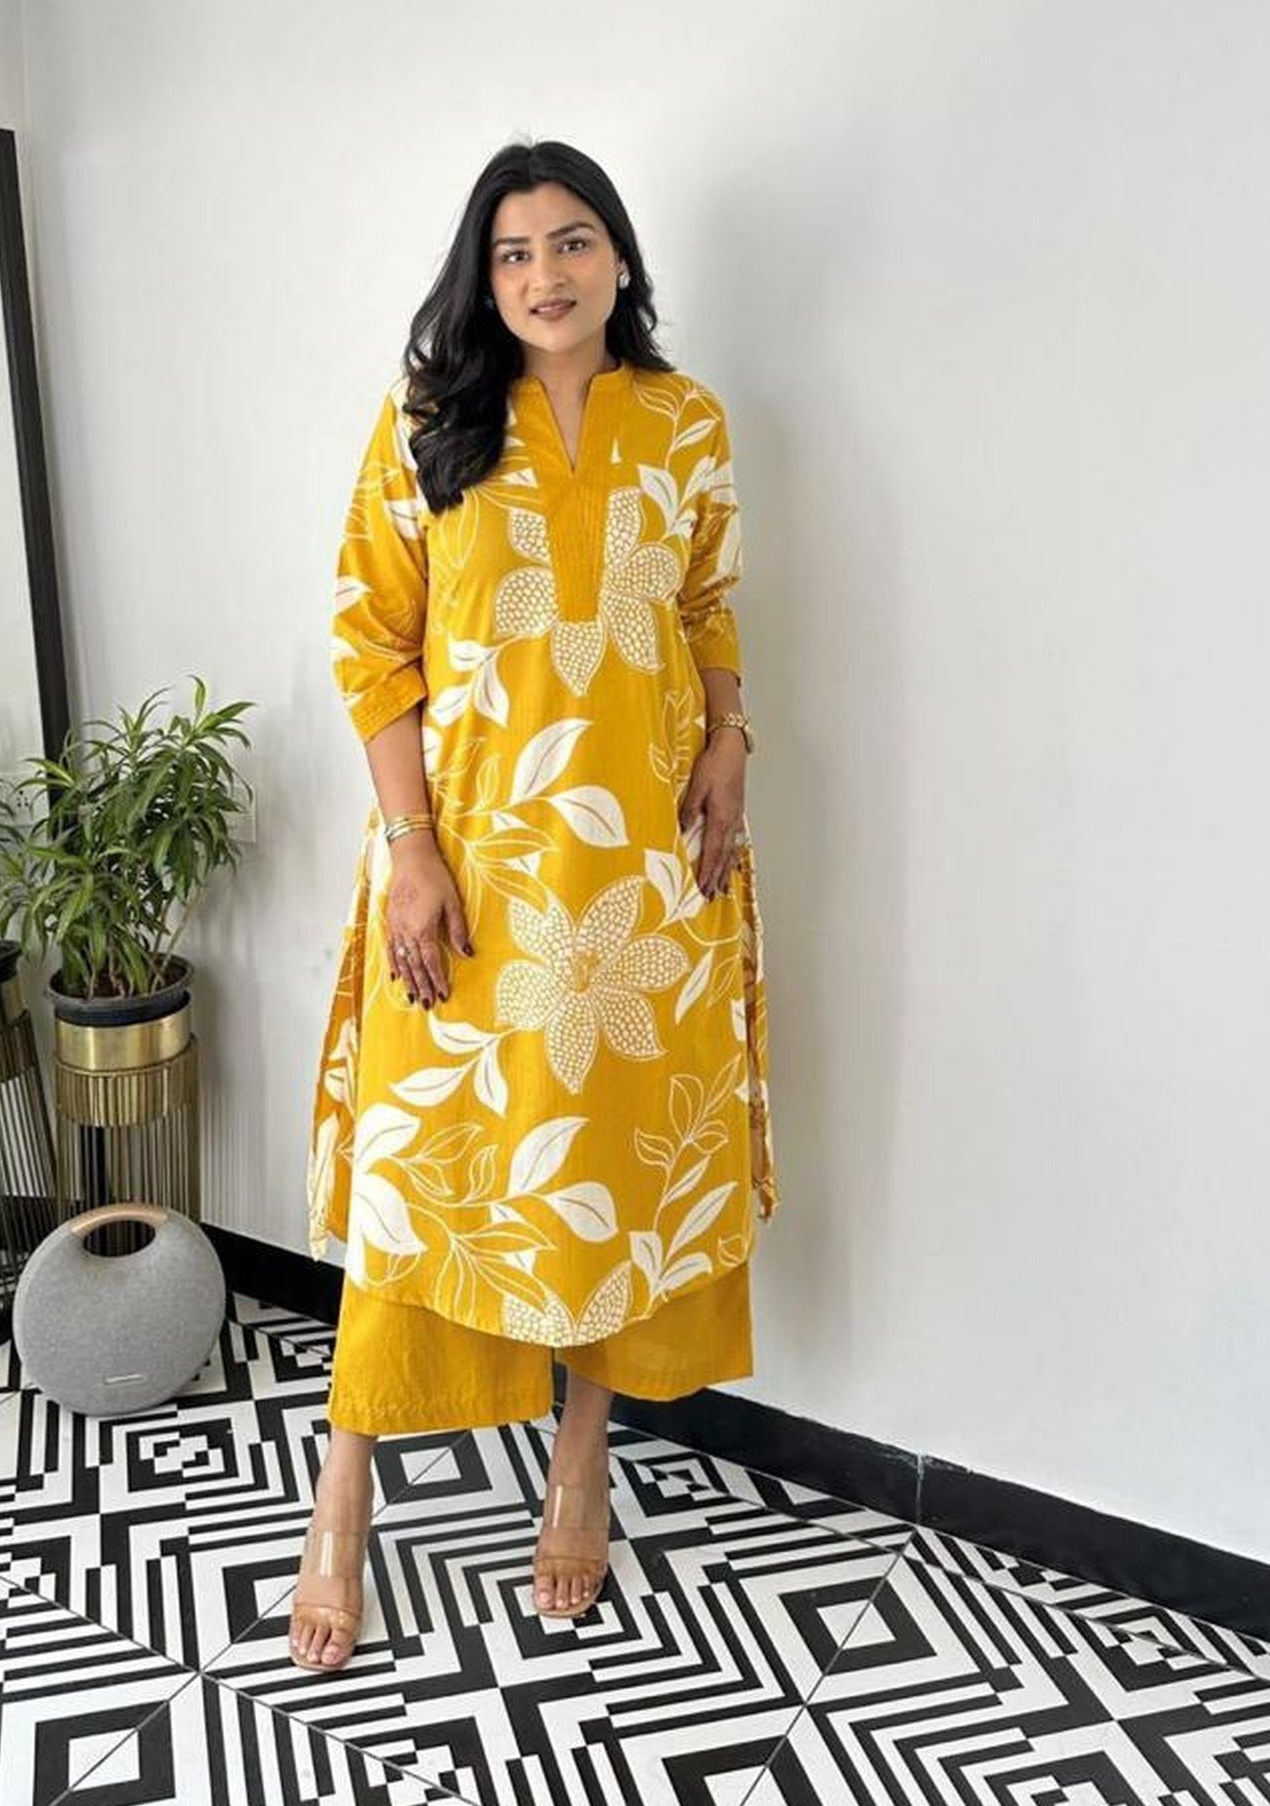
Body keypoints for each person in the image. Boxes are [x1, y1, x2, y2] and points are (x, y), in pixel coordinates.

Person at [291, 138, 780, 1673]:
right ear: (481, 276)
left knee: (611, 1167)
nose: (544, 275)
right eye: (511, 253)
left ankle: (582, 1464)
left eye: (571, 243)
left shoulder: (685, 423)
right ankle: (341, 1498)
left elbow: (705, 603)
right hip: (472, 872)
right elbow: (370, 641)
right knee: (419, 1177)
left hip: (640, 880)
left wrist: (726, 738)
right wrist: (411, 848)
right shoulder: (431, 419)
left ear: (619, 260)